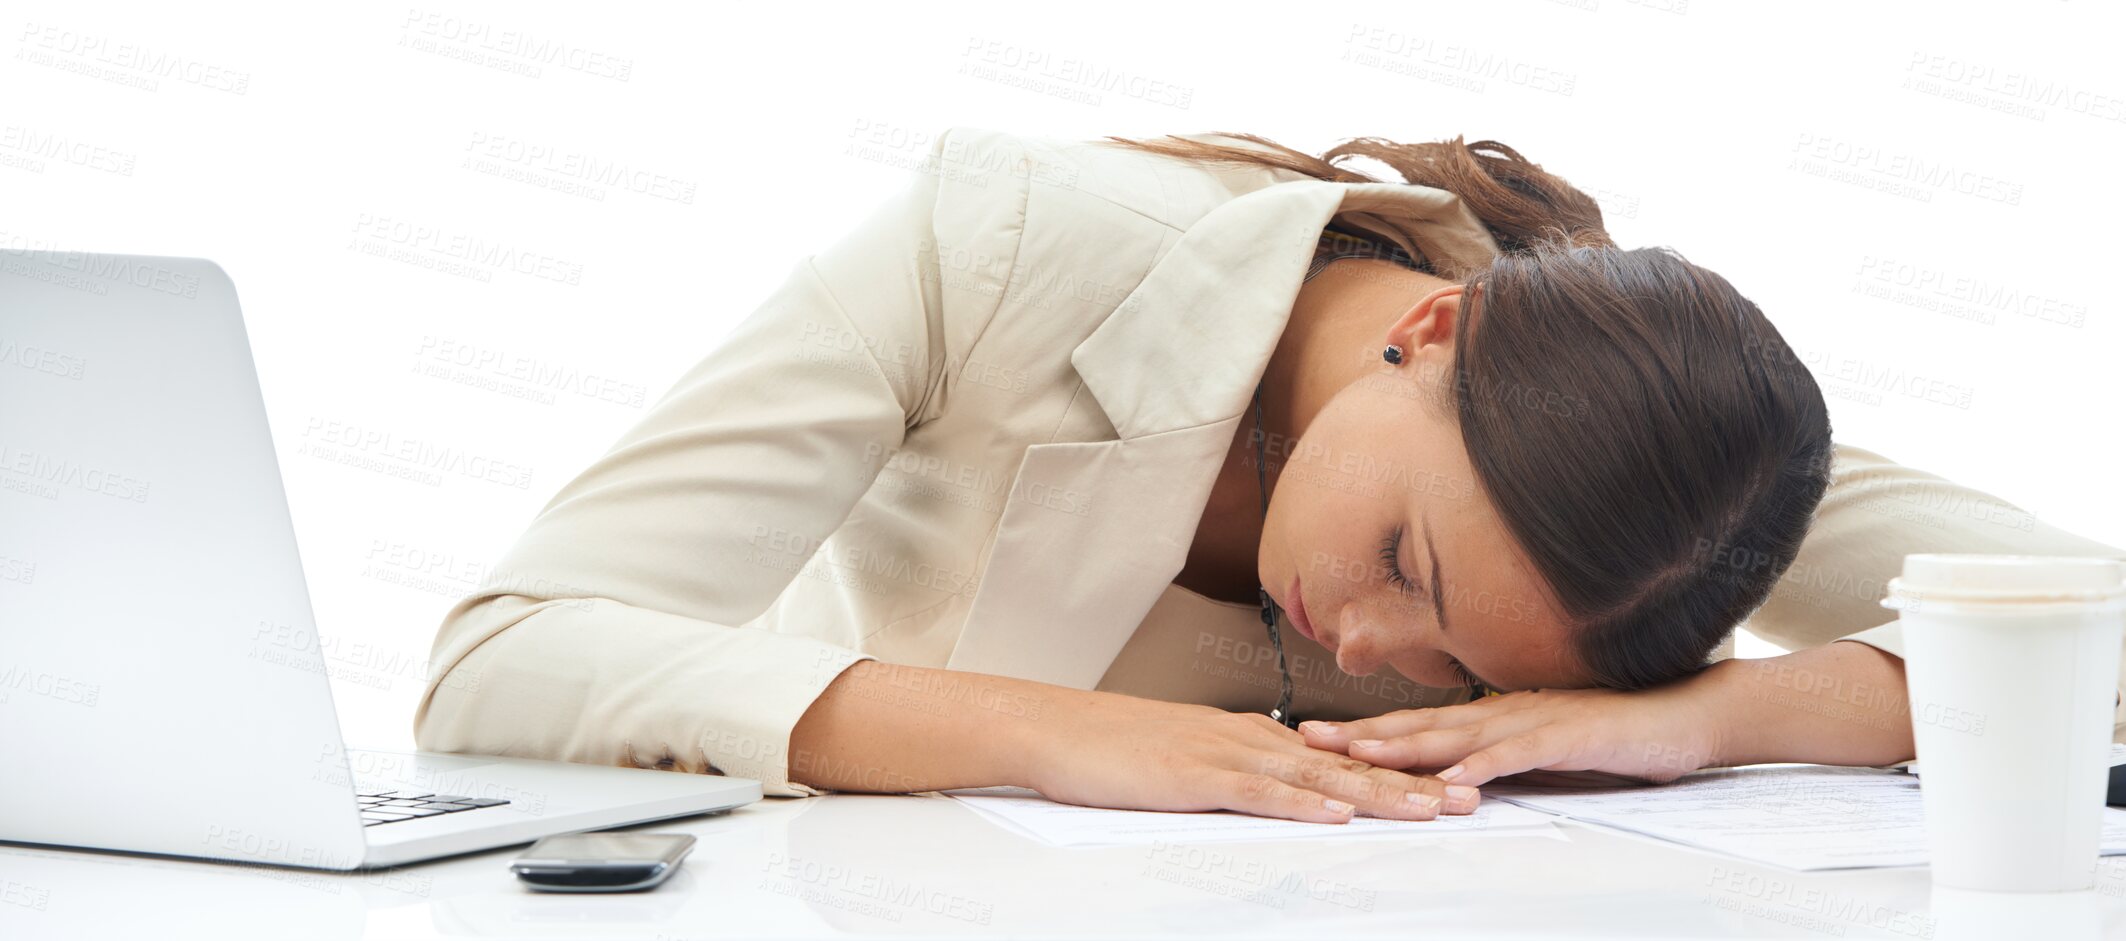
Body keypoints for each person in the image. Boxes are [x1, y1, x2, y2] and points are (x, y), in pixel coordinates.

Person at [413, 126, 2125, 824]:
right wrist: (1054, 730)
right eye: (1407, 561)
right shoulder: (1003, 249)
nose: (1376, 644)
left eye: (1463, 669)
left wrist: (1695, 715)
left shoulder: (1665, 482)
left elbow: (2097, 624)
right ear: (1437, 327)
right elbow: (498, 656)